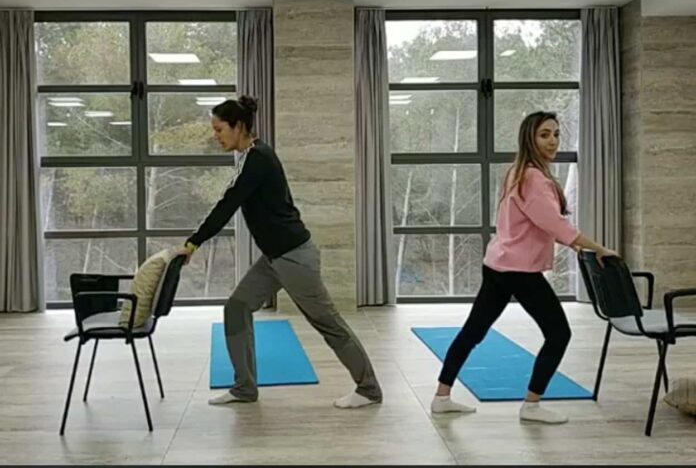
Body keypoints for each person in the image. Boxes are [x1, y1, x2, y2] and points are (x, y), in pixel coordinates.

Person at [178, 96, 382, 409]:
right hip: (275, 258)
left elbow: (227, 204)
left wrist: (194, 242)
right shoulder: (251, 156)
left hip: (294, 256)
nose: (215, 136)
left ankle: (368, 389)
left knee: (328, 324)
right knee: (236, 307)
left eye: (219, 129)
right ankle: (244, 388)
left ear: (238, 126)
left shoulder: (258, 158)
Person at [430, 111, 618, 424]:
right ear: (529, 138)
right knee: (559, 334)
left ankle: (441, 397)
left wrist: (573, 244)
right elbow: (554, 223)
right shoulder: (534, 178)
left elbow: (538, 223)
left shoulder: (517, 172)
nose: (552, 141)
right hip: (519, 272)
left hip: (498, 266)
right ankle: (531, 406)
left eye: (556, 134)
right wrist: (598, 248)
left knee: (473, 332)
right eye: (544, 135)